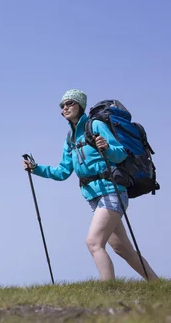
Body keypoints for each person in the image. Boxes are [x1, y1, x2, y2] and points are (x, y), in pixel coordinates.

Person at [22, 89, 158, 282]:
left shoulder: (96, 125)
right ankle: (156, 284)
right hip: (93, 196)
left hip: (111, 191)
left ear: (80, 106)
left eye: (70, 103)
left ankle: (108, 291)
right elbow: (62, 172)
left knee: (94, 243)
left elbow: (120, 154)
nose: (65, 108)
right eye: (62, 105)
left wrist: (107, 147)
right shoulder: (70, 138)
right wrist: (36, 169)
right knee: (122, 248)